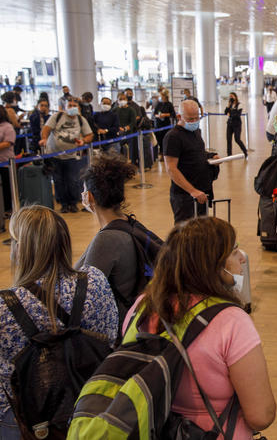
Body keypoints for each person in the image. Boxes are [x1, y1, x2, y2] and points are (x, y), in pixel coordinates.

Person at [123, 216, 276, 435]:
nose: (242, 258)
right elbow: (261, 415)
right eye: (234, 251)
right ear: (212, 265)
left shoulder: (142, 307)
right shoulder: (231, 321)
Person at [0, 205, 118, 438]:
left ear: (21, 249)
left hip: (27, 420)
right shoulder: (95, 282)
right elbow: (111, 337)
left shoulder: (5, 305)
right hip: (91, 404)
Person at [76, 154, 163, 324]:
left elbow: (82, 293)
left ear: (90, 197)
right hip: (136, 316)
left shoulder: (107, 240)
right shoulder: (130, 224)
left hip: (118, 326)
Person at [164, 100, 218, 223]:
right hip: (185, 197)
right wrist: (192, 191)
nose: (194, 122)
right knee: (185, 234)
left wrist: (211, 156)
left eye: (196, 118)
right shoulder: (173, 137)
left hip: (202, 193)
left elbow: (196, 152)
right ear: (179, 117)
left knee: (201, 232)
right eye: (190, 119)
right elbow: (171, 169)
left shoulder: (196, 132)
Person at [40, 97, 93, 213]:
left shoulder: (81, 119)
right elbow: (46, 129)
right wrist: (44, 139)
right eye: (70, 105)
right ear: (65, 107)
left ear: (78, 108)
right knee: (58, 180)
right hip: (54, 155)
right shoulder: (57, 117)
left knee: (72, 180)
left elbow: (89, 135)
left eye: (75, 106)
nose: (72, 108)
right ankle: (63, 204)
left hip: (72, 156)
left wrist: (83, 141)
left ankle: (73, 203)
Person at [0, 107, 16, 214]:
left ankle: (8, 210)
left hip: (6, 163)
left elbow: (8, 143)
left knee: (7, 188)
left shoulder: (8, 127)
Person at [153, 89, 176, 159]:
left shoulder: (169, 104)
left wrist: (165, 115)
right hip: (158, 125)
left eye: (162, 96)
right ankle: (161, 153)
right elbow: (155, 114)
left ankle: (165, 154)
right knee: (159, 139)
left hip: (166, 125)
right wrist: (159, 116)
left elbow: (173, 114)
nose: (160, 97)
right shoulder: (159, 104)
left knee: (165, 140)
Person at [224, 92, 247, 158]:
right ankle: (229, 155)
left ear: (235, 97)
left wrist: (230, 114)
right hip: (230, 124)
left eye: (232, 96)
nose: (231, 97)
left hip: (237, 124)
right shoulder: (230, 105)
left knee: (237, 139)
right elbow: (225, 112)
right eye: (230, 96)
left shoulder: (239, 105)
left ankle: (245, 152)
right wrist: (228, 106)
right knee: (228, 139)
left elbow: (237, 115)